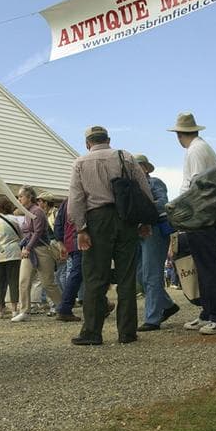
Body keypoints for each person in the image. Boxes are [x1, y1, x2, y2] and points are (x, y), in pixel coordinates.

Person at [67, 126, 152, 345]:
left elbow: (76, 199)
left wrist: (81, 229)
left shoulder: (80, 162)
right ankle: (127, 332)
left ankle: (92, 332)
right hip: (126, 218)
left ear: (87, 143)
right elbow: (144, 190)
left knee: (95, 277)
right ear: (109, 139)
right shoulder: (126, 157)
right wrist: (144, 221)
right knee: (126, 277)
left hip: (97, 220)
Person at [169, 112, 216, 335]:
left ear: (179, 134)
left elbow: (196, 184)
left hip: (201, 215)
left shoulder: (195, 150)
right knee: (204, 266)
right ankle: (208, 312)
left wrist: (182, 210)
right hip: (204, 215)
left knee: (209, 266)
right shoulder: (201, 147)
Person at [132, 154, 180, 331]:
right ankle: (167, 305)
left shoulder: (155, 183)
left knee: (151, 275)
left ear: (145, 168)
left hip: (154, 229)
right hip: (139, 232)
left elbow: (163, 203)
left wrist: (142, 209)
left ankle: (152, 319)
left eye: (138, 166)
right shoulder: (133, 186)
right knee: (141, 274)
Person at [12, 186, 63, 322]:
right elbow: (28, 233)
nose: (19, 199)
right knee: (23, 280)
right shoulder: (26, 212)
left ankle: (62, 307)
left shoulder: (37, 211)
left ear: (29, 198)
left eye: (21, 196)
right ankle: (24, 311)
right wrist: (25, 247)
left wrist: (27, 247)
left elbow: (38, 232)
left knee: (48, 282)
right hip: (29, 249)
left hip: (41, 250)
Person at [53, 198, 82, 322]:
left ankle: (102, 303)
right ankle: (64, 307)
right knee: (78, 273)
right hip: (81, 240)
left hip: (70, 242)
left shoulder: (66, 202)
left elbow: (58, 223)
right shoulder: (82, 198)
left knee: (78, 273)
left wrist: (60, 242)